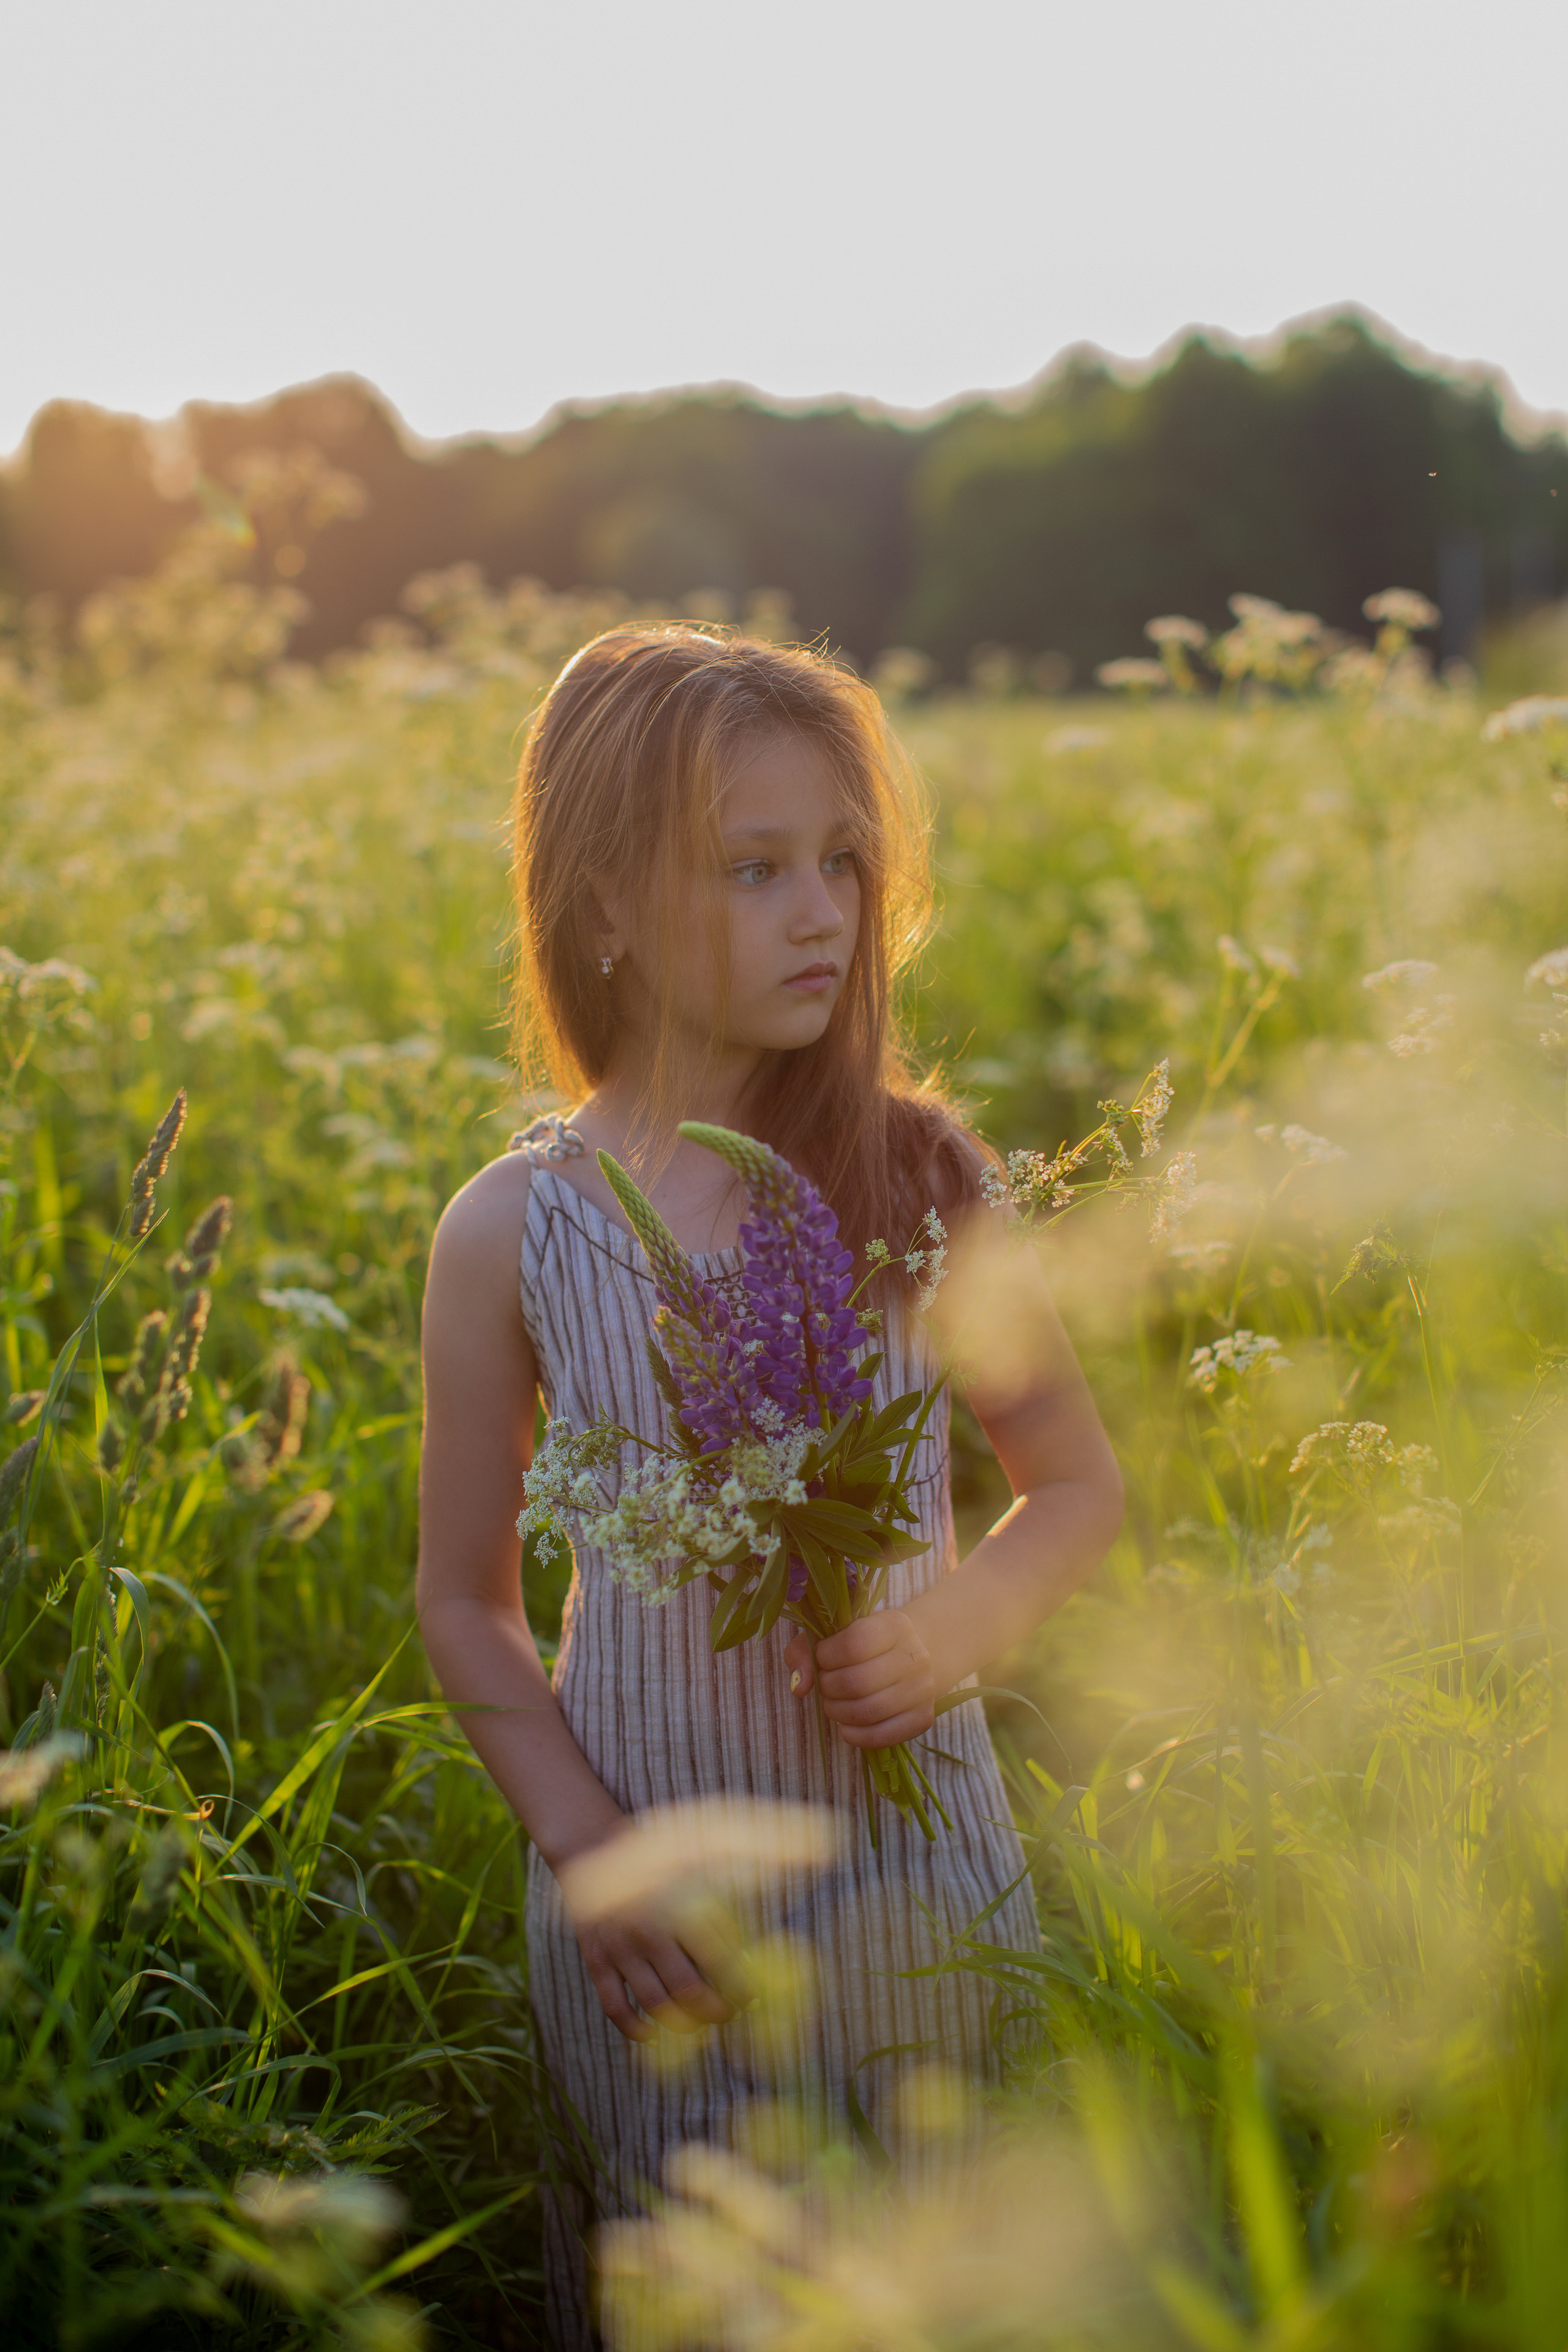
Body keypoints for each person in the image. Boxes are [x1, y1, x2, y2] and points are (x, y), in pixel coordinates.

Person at [415, 624, 1123, 2346]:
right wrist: (591, 1857)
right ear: (599, 908)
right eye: (754, 869)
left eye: (842, 863)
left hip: (921, 1876)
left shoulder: (924, 1178)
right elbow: (464, 1603)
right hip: (660, 1927)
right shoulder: (515, 1230)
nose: (823, 911)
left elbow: (1079, 1491)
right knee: (694, 2289)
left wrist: (960, 1620)